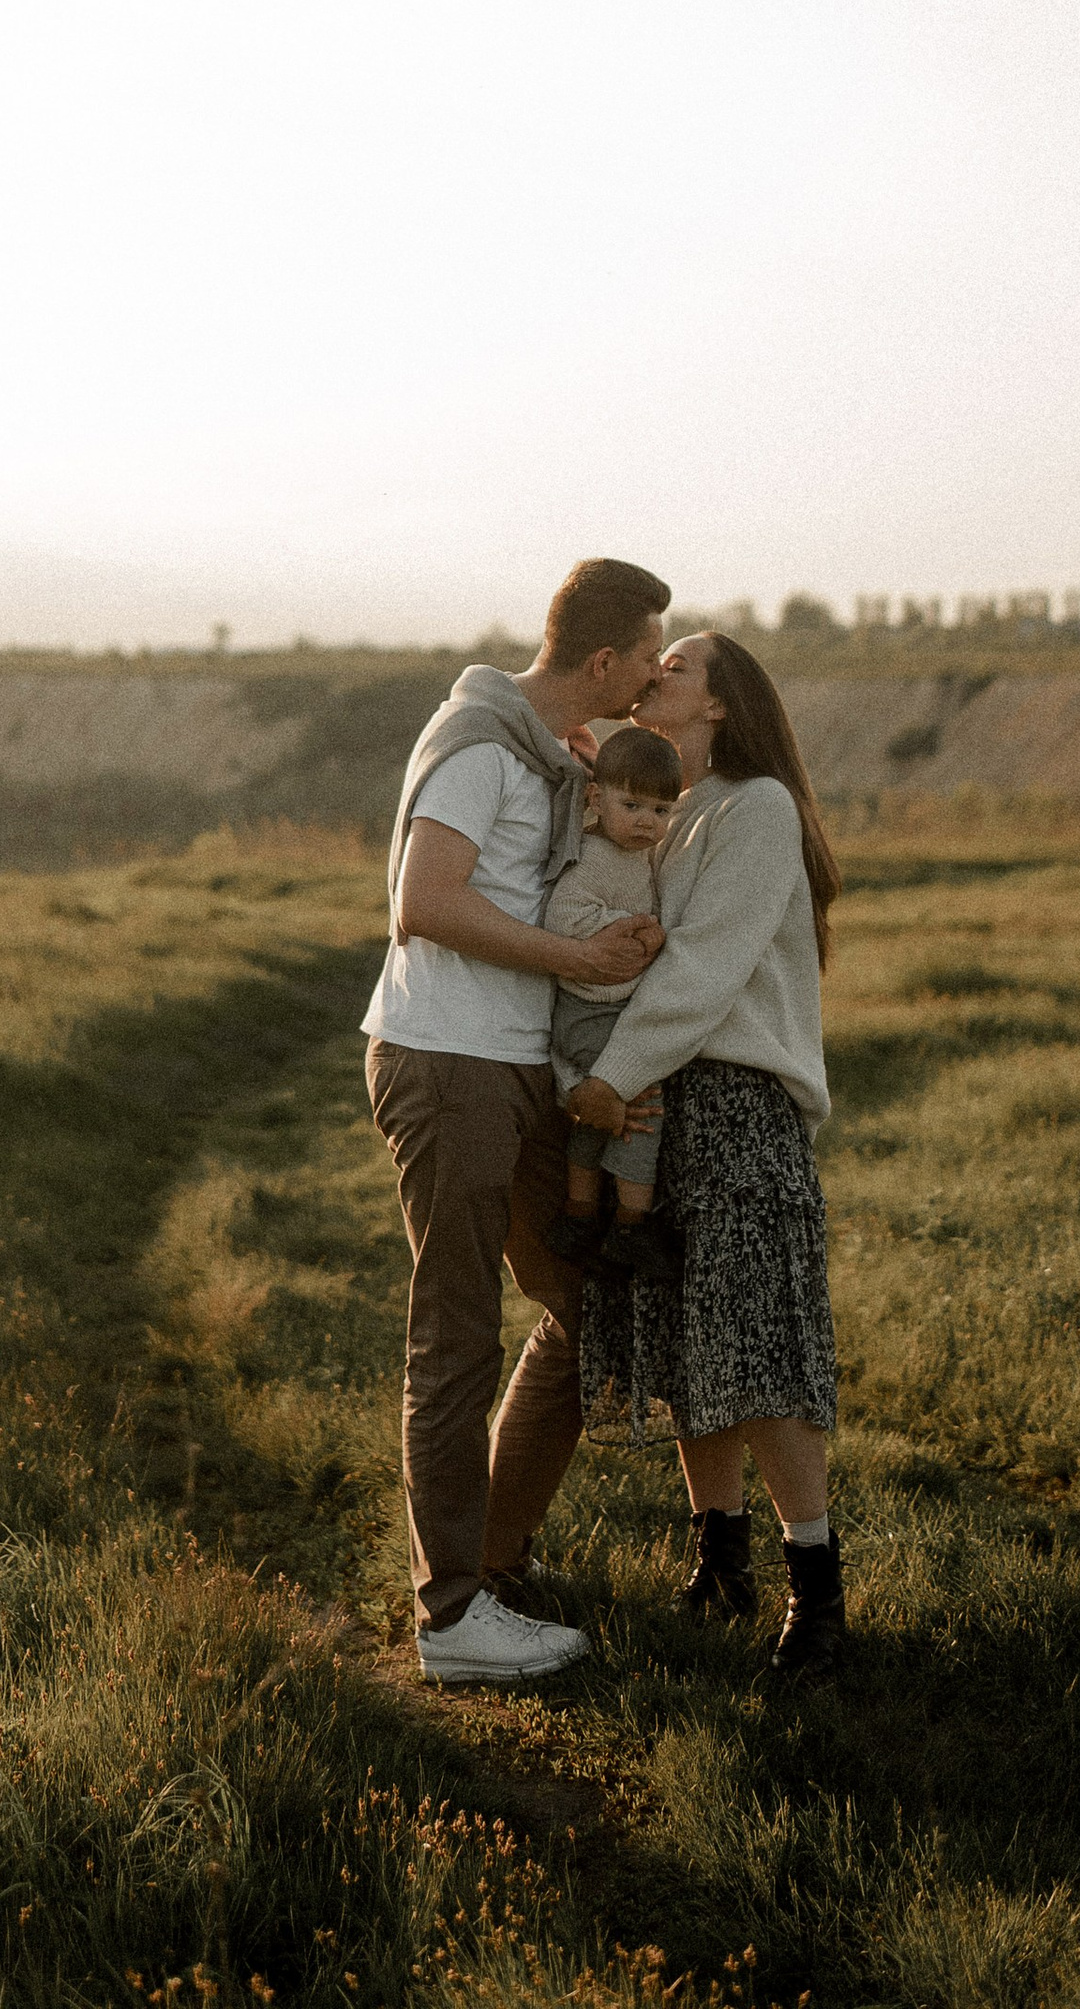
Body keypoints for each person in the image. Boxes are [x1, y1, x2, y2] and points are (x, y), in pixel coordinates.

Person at [363, 555, 673, 1687]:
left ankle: (489, 1565)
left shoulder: (542, 753)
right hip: (448, 1061)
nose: (653, 674)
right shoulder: (481, 749)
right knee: (455, 1333)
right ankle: (451, 1621)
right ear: (602, 660)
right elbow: (424, 903)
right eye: (646, 655)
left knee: (588, 1301)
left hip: (509, 1067)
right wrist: (576, 958)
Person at [568, 630, 849, 1679]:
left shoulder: (758, 809)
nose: (653, 678)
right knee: (691, 1344)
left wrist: (609, 1075)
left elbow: (703, 969)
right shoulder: (678, 815)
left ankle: (815, 1594)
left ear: (721, 703)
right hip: (662, 1100)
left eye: (675, 668)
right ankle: (720, 1564)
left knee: (763, 1350)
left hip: (732, 1103)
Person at [538, 721, 685, 1271]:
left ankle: (580, 1214)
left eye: (661, 812)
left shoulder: (634, 855)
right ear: (597, 799)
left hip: (603, 1007)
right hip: (587, 1010)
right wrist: (637, 925)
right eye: (633, 806)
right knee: (642, 1103)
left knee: (599, 1115)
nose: (647, 822)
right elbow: (563, 917)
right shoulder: (595, 857)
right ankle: (630, 1225)